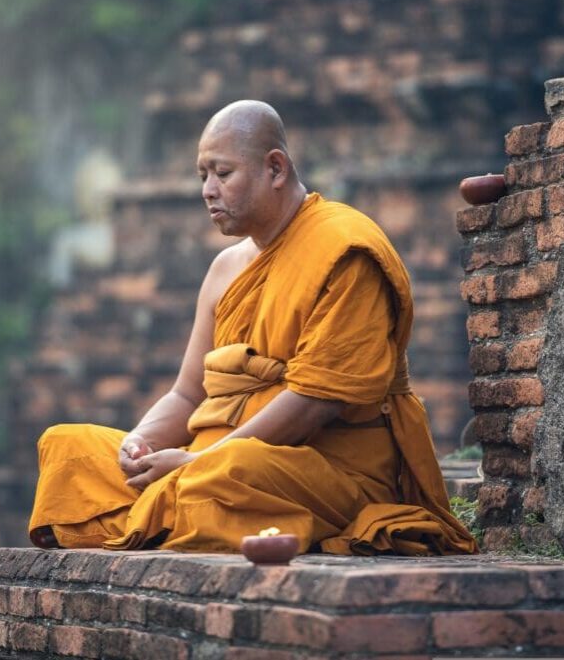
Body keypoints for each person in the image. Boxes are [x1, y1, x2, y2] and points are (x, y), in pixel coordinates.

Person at [27, 100, 477, 556]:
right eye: (202, 175)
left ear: (275, 169)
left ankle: (162, 510)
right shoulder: (225, 268)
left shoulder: (344, 250)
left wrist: (199, 461)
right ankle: (166, 507)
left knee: (227, 475)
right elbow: (187, 394)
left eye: (223, 174)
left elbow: (314, 402)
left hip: (318, 468)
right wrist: (140, 446)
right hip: (211, 459)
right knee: (67, 447)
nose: (207, 190)